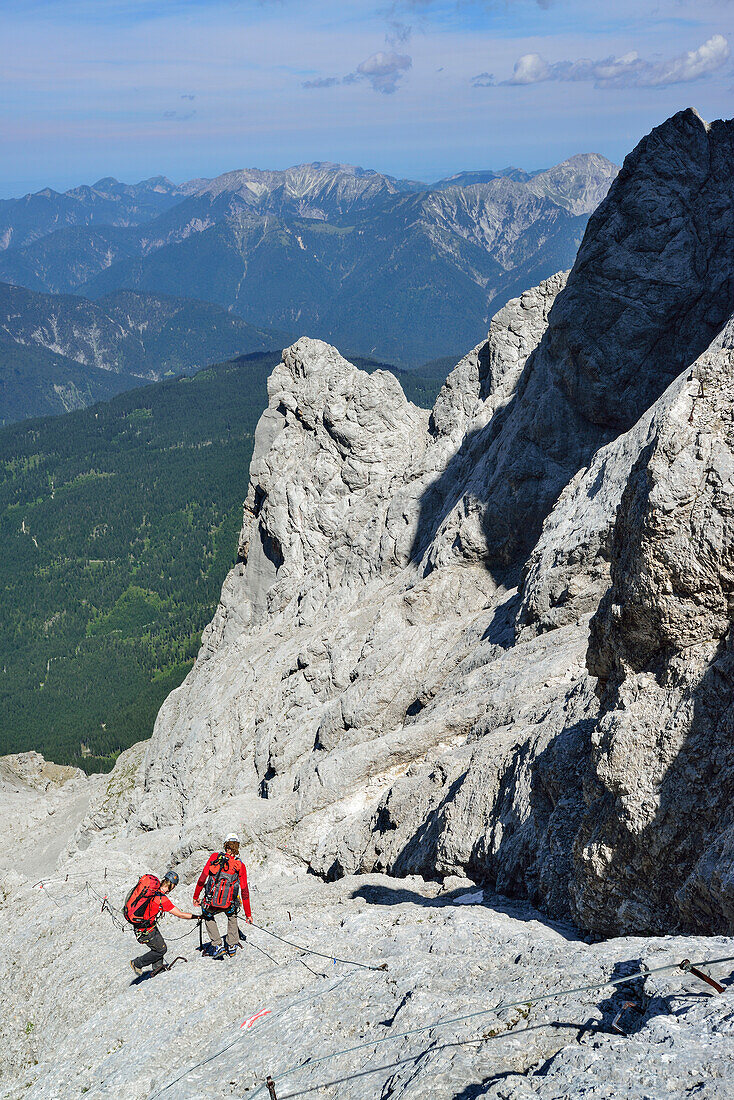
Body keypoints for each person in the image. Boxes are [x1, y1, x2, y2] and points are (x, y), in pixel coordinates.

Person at [129, 870, 199, 977]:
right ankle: (137, 963)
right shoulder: (162, 899)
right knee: (161, 950)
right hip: (146, 929)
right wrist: (197, 917)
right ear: (171, 886)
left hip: (144, 926)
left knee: (159, 946)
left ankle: (158, 970)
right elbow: (180, 914)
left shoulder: (153, 890)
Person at [193, 833, 252, 959]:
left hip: (211, 902)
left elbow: (202, 878)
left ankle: (218, 945)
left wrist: (196, 896)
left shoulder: (215, 857)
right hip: (228, 904)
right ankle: (231, 945)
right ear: (237, 847)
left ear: (225, 845)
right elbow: (244, 891)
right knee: (232, 915)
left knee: (207, 915)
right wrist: (248, 914)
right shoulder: (240, 865)